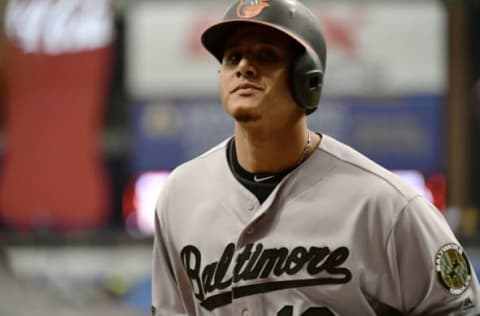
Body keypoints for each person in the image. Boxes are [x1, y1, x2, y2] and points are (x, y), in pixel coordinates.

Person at [151, 0, 480, 315]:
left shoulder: (384, 205)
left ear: (308, 79)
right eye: (233, 56)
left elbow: (459, 308)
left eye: (265, 55)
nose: (244, 67)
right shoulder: (180, 195)